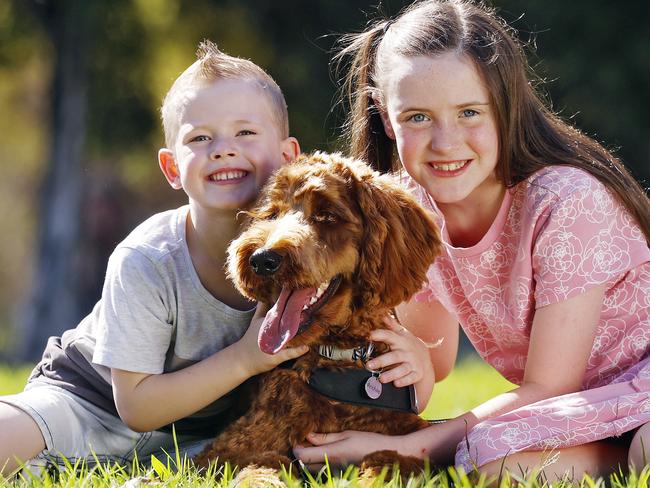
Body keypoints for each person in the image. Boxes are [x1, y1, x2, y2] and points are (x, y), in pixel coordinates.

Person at [293, 0, 650, 480]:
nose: (446, 142)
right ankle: (624, 459)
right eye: (418, 117)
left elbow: (548, 388)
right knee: (489, 463)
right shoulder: (408, 210)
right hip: (576, 418)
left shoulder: (565, 201)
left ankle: (636, 451)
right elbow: (435, 361)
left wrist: (413, 447)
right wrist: (414, 356)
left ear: (505, 105)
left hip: (616, 393)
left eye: (469, 112)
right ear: (383, 113)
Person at [0, 40, 304, 476]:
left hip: (198, 434)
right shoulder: (147, 258)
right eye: (200, 138)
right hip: (91, 401)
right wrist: (245, 357)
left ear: (288, 155)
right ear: (172, 168)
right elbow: (137, 406)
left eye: (245, 133)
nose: (223, 149)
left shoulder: (304, 251)